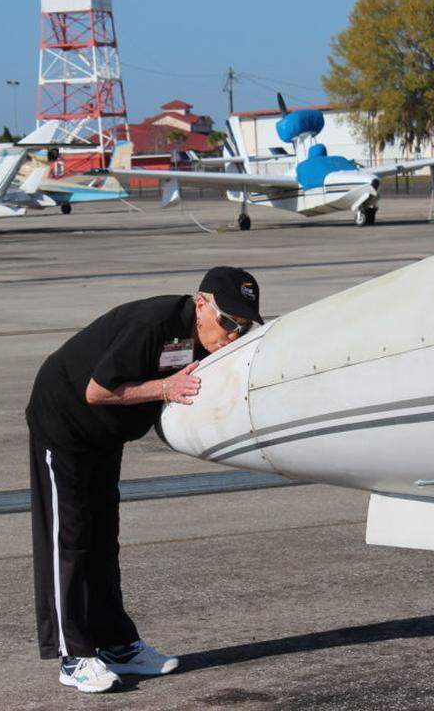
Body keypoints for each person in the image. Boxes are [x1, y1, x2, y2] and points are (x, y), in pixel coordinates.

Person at [26, 266, 263, 693]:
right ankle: (74, 655)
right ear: (201, 302)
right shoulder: (153, 324)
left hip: (105, 435)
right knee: (71, 539)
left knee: (103, 539)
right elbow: (97, 391)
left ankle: (117, 644)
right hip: (65, 424)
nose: (232, 334)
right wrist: (165, 389)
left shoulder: (209, 338)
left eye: (243, 326)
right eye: (228, 321)